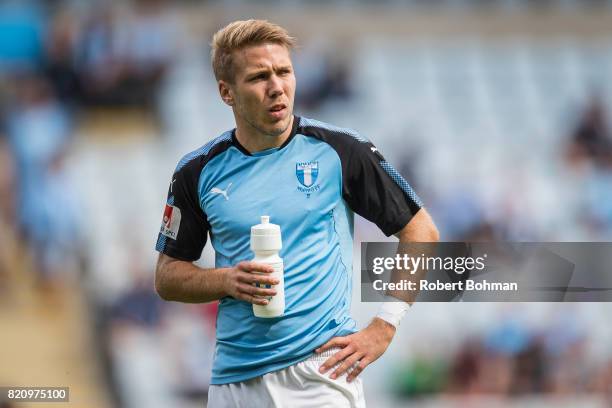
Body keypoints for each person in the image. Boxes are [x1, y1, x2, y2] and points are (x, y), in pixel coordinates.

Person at [154, 19, 439, 407]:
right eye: (258, 77)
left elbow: (421, 231)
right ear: (227, 92)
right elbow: (167, 277)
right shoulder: (197, 172)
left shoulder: (341, 151)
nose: (277, 87)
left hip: (321, 374)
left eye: (284, 71)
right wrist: (227, 280)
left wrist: (385, 324)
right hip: (234, 382)